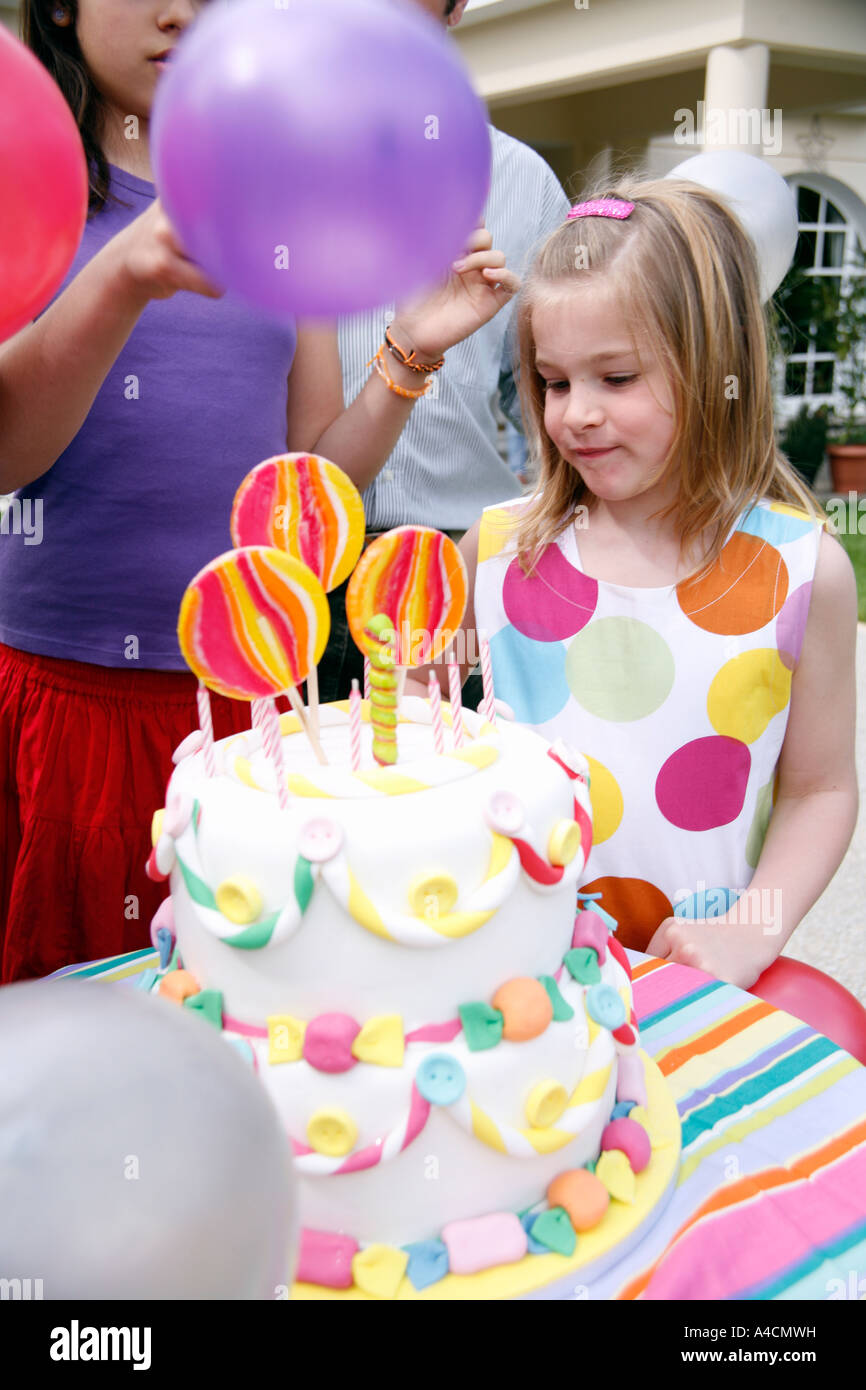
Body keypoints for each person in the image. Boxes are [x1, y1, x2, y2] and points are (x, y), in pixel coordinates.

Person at [0, 0, 519, 982]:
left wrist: (409, 350)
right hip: (67, 708)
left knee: (240, 1003)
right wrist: (119, 278)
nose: (180, 12)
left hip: (245, 710)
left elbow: (309, 485)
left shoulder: (276, 204)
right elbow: (6, 457)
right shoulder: (28, 177)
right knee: (71, 1018)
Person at [407, 173, 859, 990]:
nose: (576, 412)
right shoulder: (499, 550)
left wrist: (748, 933)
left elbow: (821, 790)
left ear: (714, 363)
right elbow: (409, 737)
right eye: (555, 381)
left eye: (616, 379)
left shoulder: (804, 570)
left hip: (702, 982)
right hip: (514, 981)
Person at [320, 0, 571, 702]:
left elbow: (555, 399)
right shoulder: (261, 170)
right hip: (300, 568)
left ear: (457, 5)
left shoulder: (524, 182)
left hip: (464, 568)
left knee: (460, 800)